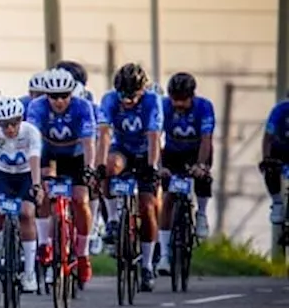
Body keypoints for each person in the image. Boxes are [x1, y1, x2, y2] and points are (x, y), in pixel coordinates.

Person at [97, 63, 163, 292]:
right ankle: (113, 219)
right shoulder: (109, 100)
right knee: (108, 167)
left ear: (142, 90)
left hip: (145, 151)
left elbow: (154, 136)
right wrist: (98, 166)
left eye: (132, 95)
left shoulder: (152, 101)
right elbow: (104, 135)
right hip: (122, 148)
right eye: (123, 95)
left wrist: (153, 167)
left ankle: (146, 265)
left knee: (147, 207)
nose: (127, 101)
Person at [28, 68, 98, 284]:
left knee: (80, 199)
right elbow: (33, 142)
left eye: (64, 96)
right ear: (46, 96)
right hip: (48, 153)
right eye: (53, 97)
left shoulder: (82, 107)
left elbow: (89, 142)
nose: (59, 101)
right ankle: (45, 243)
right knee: (42, 193)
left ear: (71, 94)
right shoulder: (37, 107)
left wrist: (89, 168)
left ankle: (83, 254)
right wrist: (37, 178)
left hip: (74, 155)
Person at [158, 73, 215, 270]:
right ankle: (164, 255)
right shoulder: (164, 106)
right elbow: (156, 138)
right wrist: (159, 166)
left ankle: (201, 213)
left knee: (203, 177)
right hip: (172, 153)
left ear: (192, 96)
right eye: (175, 99)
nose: (178, 103)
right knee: (167, 199)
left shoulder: (204, 107)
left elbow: (206, 139)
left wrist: (200, 165)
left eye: (183, 99)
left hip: (196, 152)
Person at [0, 97, 45, 291]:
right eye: (5, 125)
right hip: (3, 175)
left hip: (25, 176)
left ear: (20, 119)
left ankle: (30, 272)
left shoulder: (31, 132)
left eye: (14, 123)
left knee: (26, 213)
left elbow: (34, 159)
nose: (10, 129)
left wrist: (37, 185)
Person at [262, 91, 289, 232]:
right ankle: (277, 202)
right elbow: (268, 137)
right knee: (270, 169)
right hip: (280, 150)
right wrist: (266, 158)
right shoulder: (280, 110)